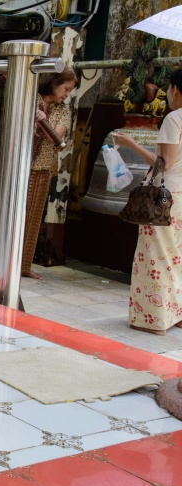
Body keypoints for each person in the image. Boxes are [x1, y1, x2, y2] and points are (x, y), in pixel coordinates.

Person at [113, 68, 182, 336]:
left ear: (175, 89)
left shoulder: (175, 119)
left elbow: (165, 164)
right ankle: (174, 314)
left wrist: (132, 144)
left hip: (165, 196)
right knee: (175, 256)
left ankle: (152, 319)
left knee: (154, 257)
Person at [22, 67, 78, 279]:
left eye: (70, 91)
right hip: (18, 164)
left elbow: (58, 139)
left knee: (33, 218)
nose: (66, 94)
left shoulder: (63, 110)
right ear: (54, 83)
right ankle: (3, 261)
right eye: (65, 88)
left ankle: (24, 265)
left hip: (41, 168)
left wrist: (42, 120)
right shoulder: (31, 98)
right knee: (10, 213)